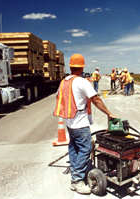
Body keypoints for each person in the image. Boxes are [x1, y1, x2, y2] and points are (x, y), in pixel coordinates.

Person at [53, 53, 116, 195]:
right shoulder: (81, 82)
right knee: (86, 148)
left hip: (69, 122)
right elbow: (96, 99)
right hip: (80, 123)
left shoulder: (64, 81)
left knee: (74, 147)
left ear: (70, 66)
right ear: (82, 67)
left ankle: (76, 171)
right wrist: (109, 113)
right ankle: (77, 181)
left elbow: (59, 96)